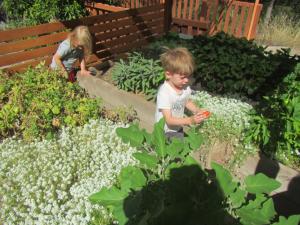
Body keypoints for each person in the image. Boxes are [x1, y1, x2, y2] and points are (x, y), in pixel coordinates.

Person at [155, 47, 209, 139]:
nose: (186, 80)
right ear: (168, 74)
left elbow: (186, 101)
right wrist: (189, 120)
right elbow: (168, 120)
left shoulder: (185, 88)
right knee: (171, 152)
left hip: (177, 127)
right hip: (164, 131)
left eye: (188, 76)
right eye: (182, 77)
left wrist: (197, 110)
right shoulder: (164, 92)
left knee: (179, 150)